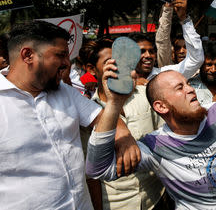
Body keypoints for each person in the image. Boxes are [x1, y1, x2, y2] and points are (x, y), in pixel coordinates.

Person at [86, 68, 216, 209]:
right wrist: (113, 104)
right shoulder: (155, 147)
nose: (190, 89)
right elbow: (98, 169)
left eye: (187, 84)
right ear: (161, 106)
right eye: (179, 88)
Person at [0, 21, 139, 210]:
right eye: (60, 55)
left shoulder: (65, 92)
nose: (67, 64)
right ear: (28, 55)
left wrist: (124, 137)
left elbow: (100, 116)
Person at [84, 38, 169, 210]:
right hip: (119, 204)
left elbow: (165, 136)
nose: (117, 67)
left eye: (120, 61)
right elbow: (91, 175)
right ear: (91, 69)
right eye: (109, 63)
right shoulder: (86, 114)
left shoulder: (146, 94)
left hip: (157, 196)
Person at [129, 0, 204, 85]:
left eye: (151, 52)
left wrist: (184, 19)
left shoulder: (164, 75)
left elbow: (197, 59)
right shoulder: (117, 79)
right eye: (142, 51)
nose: (148, 56)